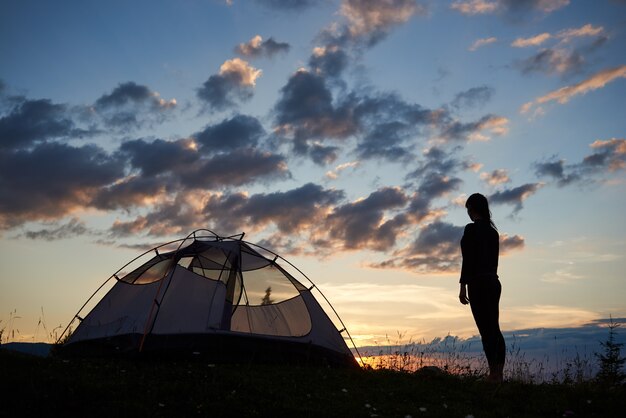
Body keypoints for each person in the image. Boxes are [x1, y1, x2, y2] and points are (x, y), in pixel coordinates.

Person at [459, 193, 505, 382]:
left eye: (468, 209)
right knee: (494, 327)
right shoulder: (493, 232)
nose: (468, 213)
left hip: (478, 284)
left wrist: (462, 287)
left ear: (472, 209)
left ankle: (493, 374)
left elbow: (467, 261)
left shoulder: (471, 230)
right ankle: (497, 373)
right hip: (493, 282)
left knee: (486, 330)